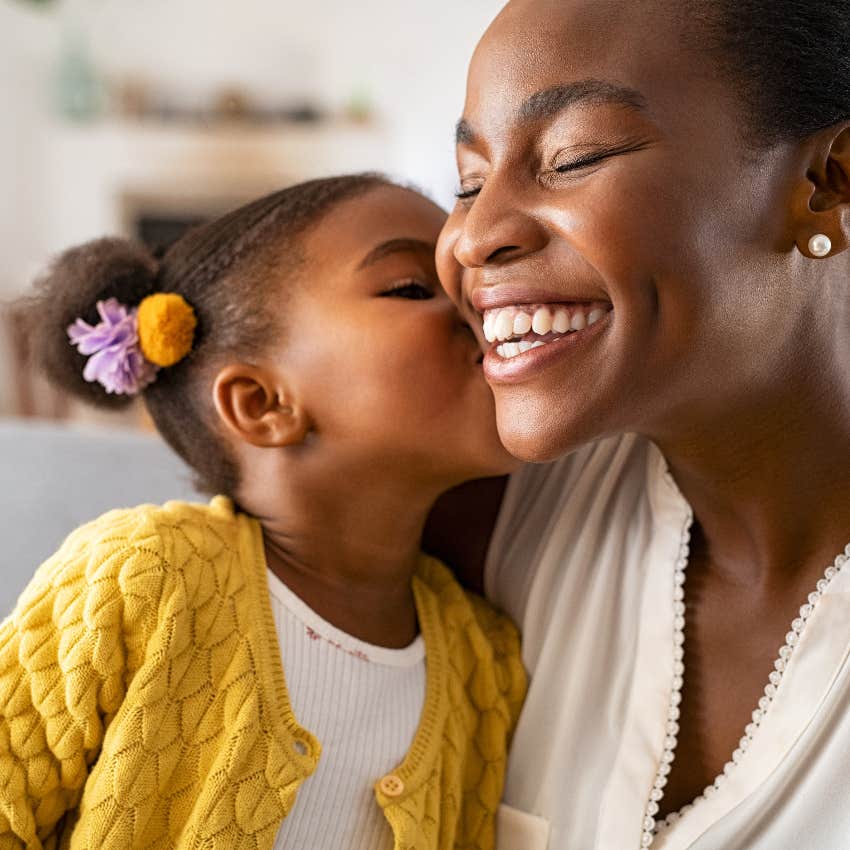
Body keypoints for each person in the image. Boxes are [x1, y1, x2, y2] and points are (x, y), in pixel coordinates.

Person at [0, 174, 526, 850]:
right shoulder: (142, 577)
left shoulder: (484, 662)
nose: (483, 307)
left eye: (467, 284)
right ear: (262, 404)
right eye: (413, 288)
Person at [431, 1, 850, 848]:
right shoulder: (481, 522)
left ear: (827, 183)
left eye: (573, 157)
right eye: (469, 183)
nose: (476, 236)